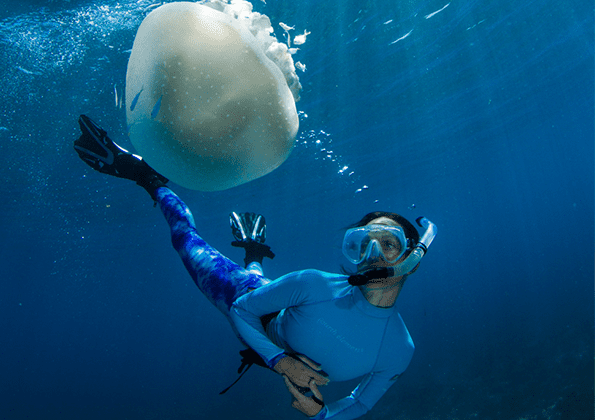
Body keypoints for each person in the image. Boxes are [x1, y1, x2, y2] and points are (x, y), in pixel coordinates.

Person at [73, 115, 437, 420]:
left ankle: (253, 249)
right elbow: (241, 310)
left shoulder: (399, 350)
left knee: (265, 282)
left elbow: (359, 402)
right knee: (187, 243)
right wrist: (280, 362)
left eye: (389, 245)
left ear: (412, 260)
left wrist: (321, 415)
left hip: (281, 306)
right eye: (361, 244)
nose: (373, 255)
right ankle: (149, 179)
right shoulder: (314, 284)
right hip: (248, 300)